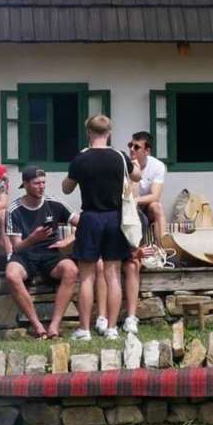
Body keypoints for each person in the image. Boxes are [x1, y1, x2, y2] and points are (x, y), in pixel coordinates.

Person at [62, 112, 134, 341]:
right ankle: (112, 328)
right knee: (113, 275)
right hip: (114, 217)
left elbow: (66, 188)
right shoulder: (120, 157)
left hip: (91, 217)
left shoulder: (81, 158)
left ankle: (84, 329)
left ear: (88, 132)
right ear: (109, 132)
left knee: (86, 277)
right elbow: (138, 176)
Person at [3, 164, 79, 338]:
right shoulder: (14, 210)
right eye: (37, 183)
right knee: (11, 275)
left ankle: (54, 325)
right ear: (26, 184)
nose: (42, 186)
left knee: (71, 269)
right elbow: (17, 246)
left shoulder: (54, 203)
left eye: (43, 183)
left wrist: (68, 240)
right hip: (25, 255)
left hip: (50, 253)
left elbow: (83, 223)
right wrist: (32, 239)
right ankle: (37, 326)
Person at [123, 131, 169, 333]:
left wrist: (133, 201)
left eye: (136, 147)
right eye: (130, 145)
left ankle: (164, 251)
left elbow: (155, 195)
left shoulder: (157, 166)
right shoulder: (124, 163)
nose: (131, 149)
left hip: (143, 205)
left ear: (147, 150)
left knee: (157, 207)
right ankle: (138, 251)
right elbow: (128, 194)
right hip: (127, 207)